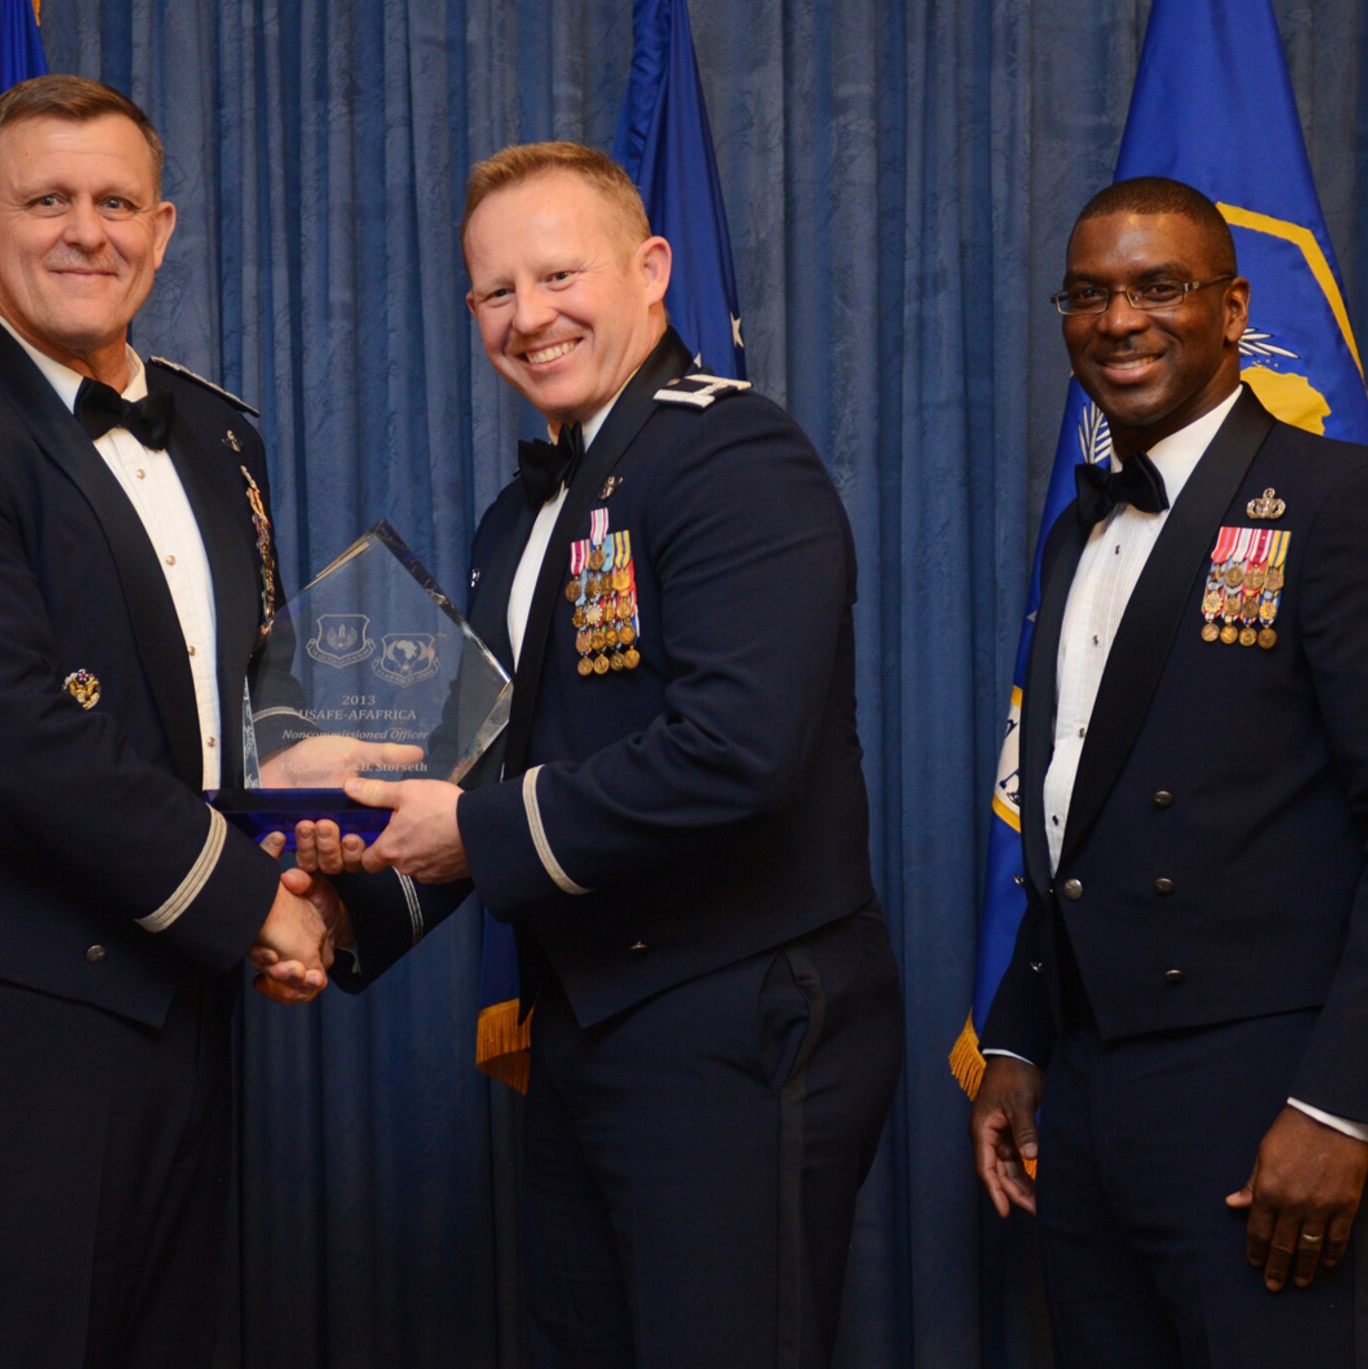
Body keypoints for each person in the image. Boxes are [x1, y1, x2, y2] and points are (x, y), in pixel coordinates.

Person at [302, 142, 904, 1367]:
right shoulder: (515, 519)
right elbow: (500, 771)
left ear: (651, 269)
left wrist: (467, 830)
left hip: (733, 1013)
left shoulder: (733, 457)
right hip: (585, 1021)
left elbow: (735, 753)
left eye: (558, 275)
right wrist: (336, 883)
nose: (529, 317)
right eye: (495, 291)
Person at [0, 74, 341, 1367]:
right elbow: (17, 743)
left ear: (161, 231)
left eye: (116, 203)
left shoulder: (221, 432)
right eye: (46, 200)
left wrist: (313, 848)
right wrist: (252, 902)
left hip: (188, 1000)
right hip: (12, 1026)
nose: (85, 232)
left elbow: (244, 702)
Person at [967, 176, 1368, 1368]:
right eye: (1088, 295)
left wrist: (1341, 1108)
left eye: (1158, 287)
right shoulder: (1075, 533)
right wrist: (1017, 1042)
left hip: (1267, 1093)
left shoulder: (1347, 504)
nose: (1118, 321)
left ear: (1231, 308)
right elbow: (1074, 813)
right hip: (1087, 1097)